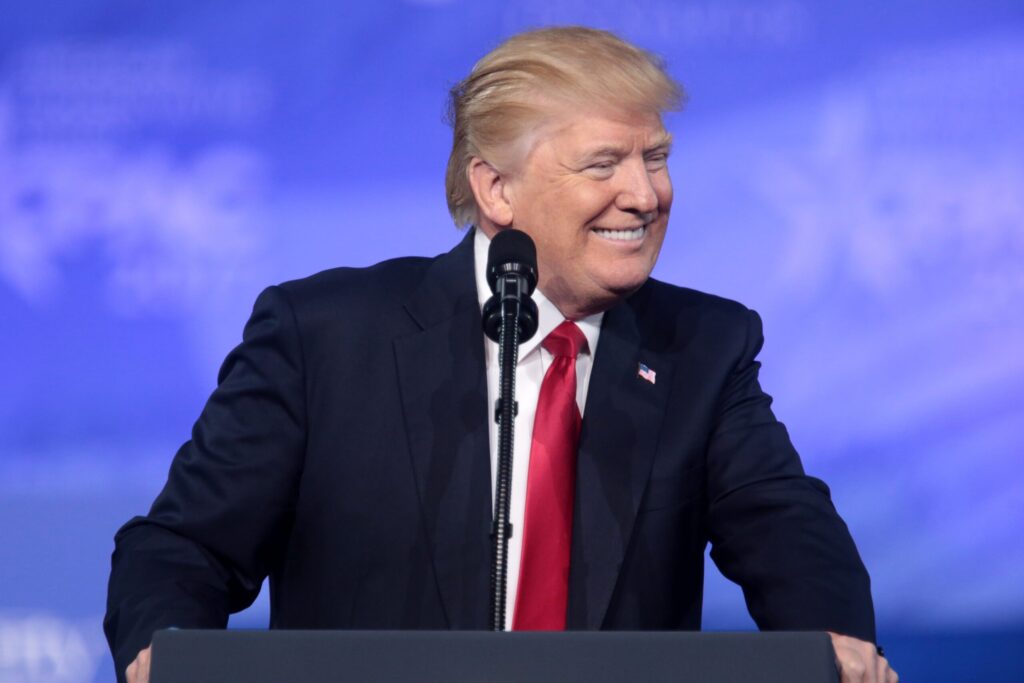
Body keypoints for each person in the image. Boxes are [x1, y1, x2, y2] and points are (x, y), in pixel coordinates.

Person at [105, 26, 898, 683]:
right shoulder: (324, 337)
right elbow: (183, 548)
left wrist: (833, 642)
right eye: (604, 164)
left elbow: (789, 530)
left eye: (655, 156)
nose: (646, 194)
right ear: (496, 190)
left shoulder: (702, 347)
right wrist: (161, 651)